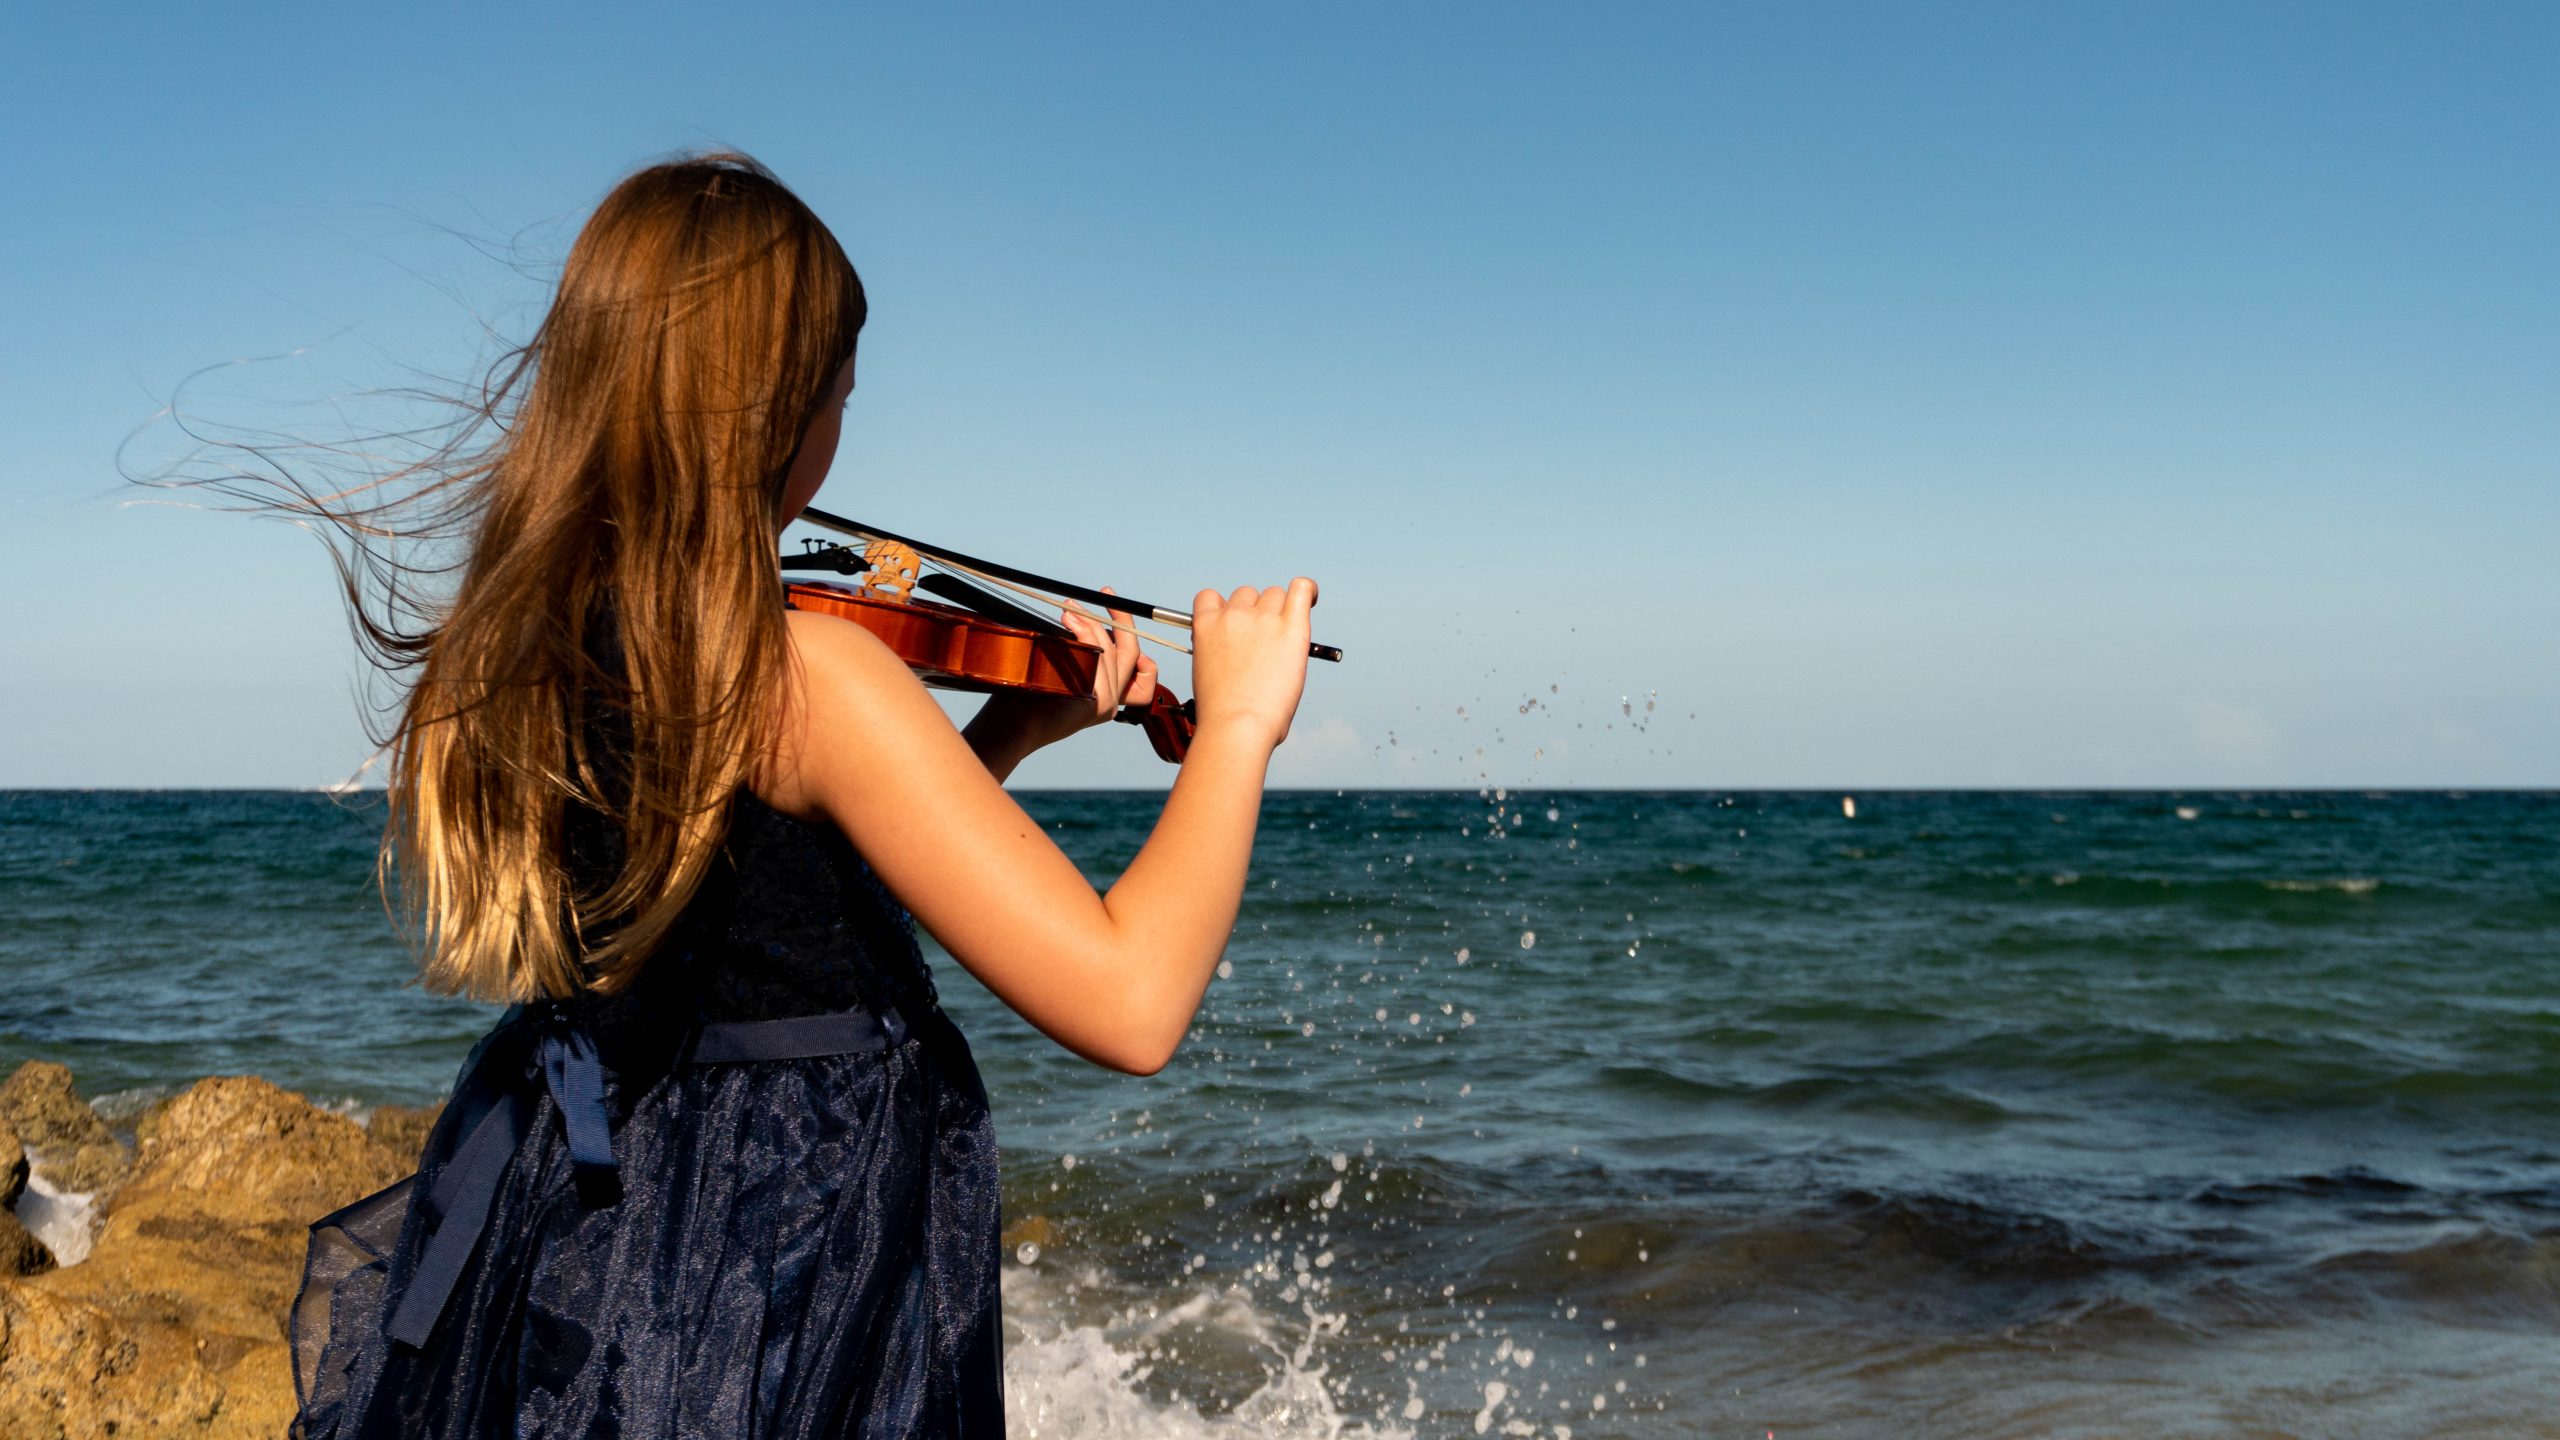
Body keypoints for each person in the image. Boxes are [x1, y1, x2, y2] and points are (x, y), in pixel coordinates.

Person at [285, 152, 1317, 1438]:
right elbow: (1131, 1002)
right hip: (782, 1257)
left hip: (602, 1241)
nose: (840, 432)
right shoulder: (805, 674)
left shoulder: (541, 637)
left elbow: (768, 920)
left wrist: (996, 734)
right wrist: (1242, 733)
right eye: (836, 394)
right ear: (765, 415)